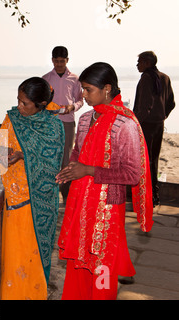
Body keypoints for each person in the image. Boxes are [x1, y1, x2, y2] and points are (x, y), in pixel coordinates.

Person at [56, 62, 153, 300]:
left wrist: (88, 170)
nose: (84, 95)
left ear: (107, 88)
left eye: (88, 90)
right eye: (83, 89)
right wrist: (70, 169)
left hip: (107, 210)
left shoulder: (125, 124)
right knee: (78, 262)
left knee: (101, 268)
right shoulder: (87, 118)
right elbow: (78, 151)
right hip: (81, 203)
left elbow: (132, 174)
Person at [0, 77, 65, 300]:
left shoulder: (53, 126)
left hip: (39, 202)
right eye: (18, 100)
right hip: (15, 198)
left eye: (25, 103)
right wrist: (4, 153)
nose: (19, 107)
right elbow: (0, 149)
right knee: (14, 255)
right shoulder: (12, 119)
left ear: (41, 104)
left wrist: (23, 155)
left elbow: (53, 163)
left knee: (33, 254)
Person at [133, 51, 175, 207]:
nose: (137, 65)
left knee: (145, 160)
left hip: (147, 125)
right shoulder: (164, 77)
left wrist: (135, 123)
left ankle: (149, 195)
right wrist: (162, 116)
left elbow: (144, 106)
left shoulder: (146, 78)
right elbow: (171, 103)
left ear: (147, 63)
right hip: (158, 124)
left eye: (139, 62)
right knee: (153, 159)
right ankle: (153, 194)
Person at [43, 46, 83, 203]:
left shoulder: (74, 79)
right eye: (56, 61)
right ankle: (50, 196)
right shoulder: (45, 79)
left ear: (67, 60)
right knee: (50, 157)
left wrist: (73, 107)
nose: (59, 64)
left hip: (67, 123)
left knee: (66, 160)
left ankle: (67, 197)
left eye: (62, 61)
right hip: (49, 123)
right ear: (52, 60)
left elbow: (80, 99)